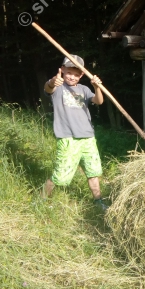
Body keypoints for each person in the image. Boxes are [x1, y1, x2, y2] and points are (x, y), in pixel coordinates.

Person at [43, 54, 108, 211]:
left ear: (81, 75)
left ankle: (98, 200)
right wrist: (52, 81)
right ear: (63, 70)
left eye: (76, 74)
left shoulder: (84, 89)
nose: (72, 77)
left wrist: (97, 86)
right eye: (69, 72)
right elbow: (48, 88)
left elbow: (99, 101)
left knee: (93, 172)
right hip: (68, 138)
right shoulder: (58, 87)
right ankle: (42, 200)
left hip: (88, 137)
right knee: (60, 176)